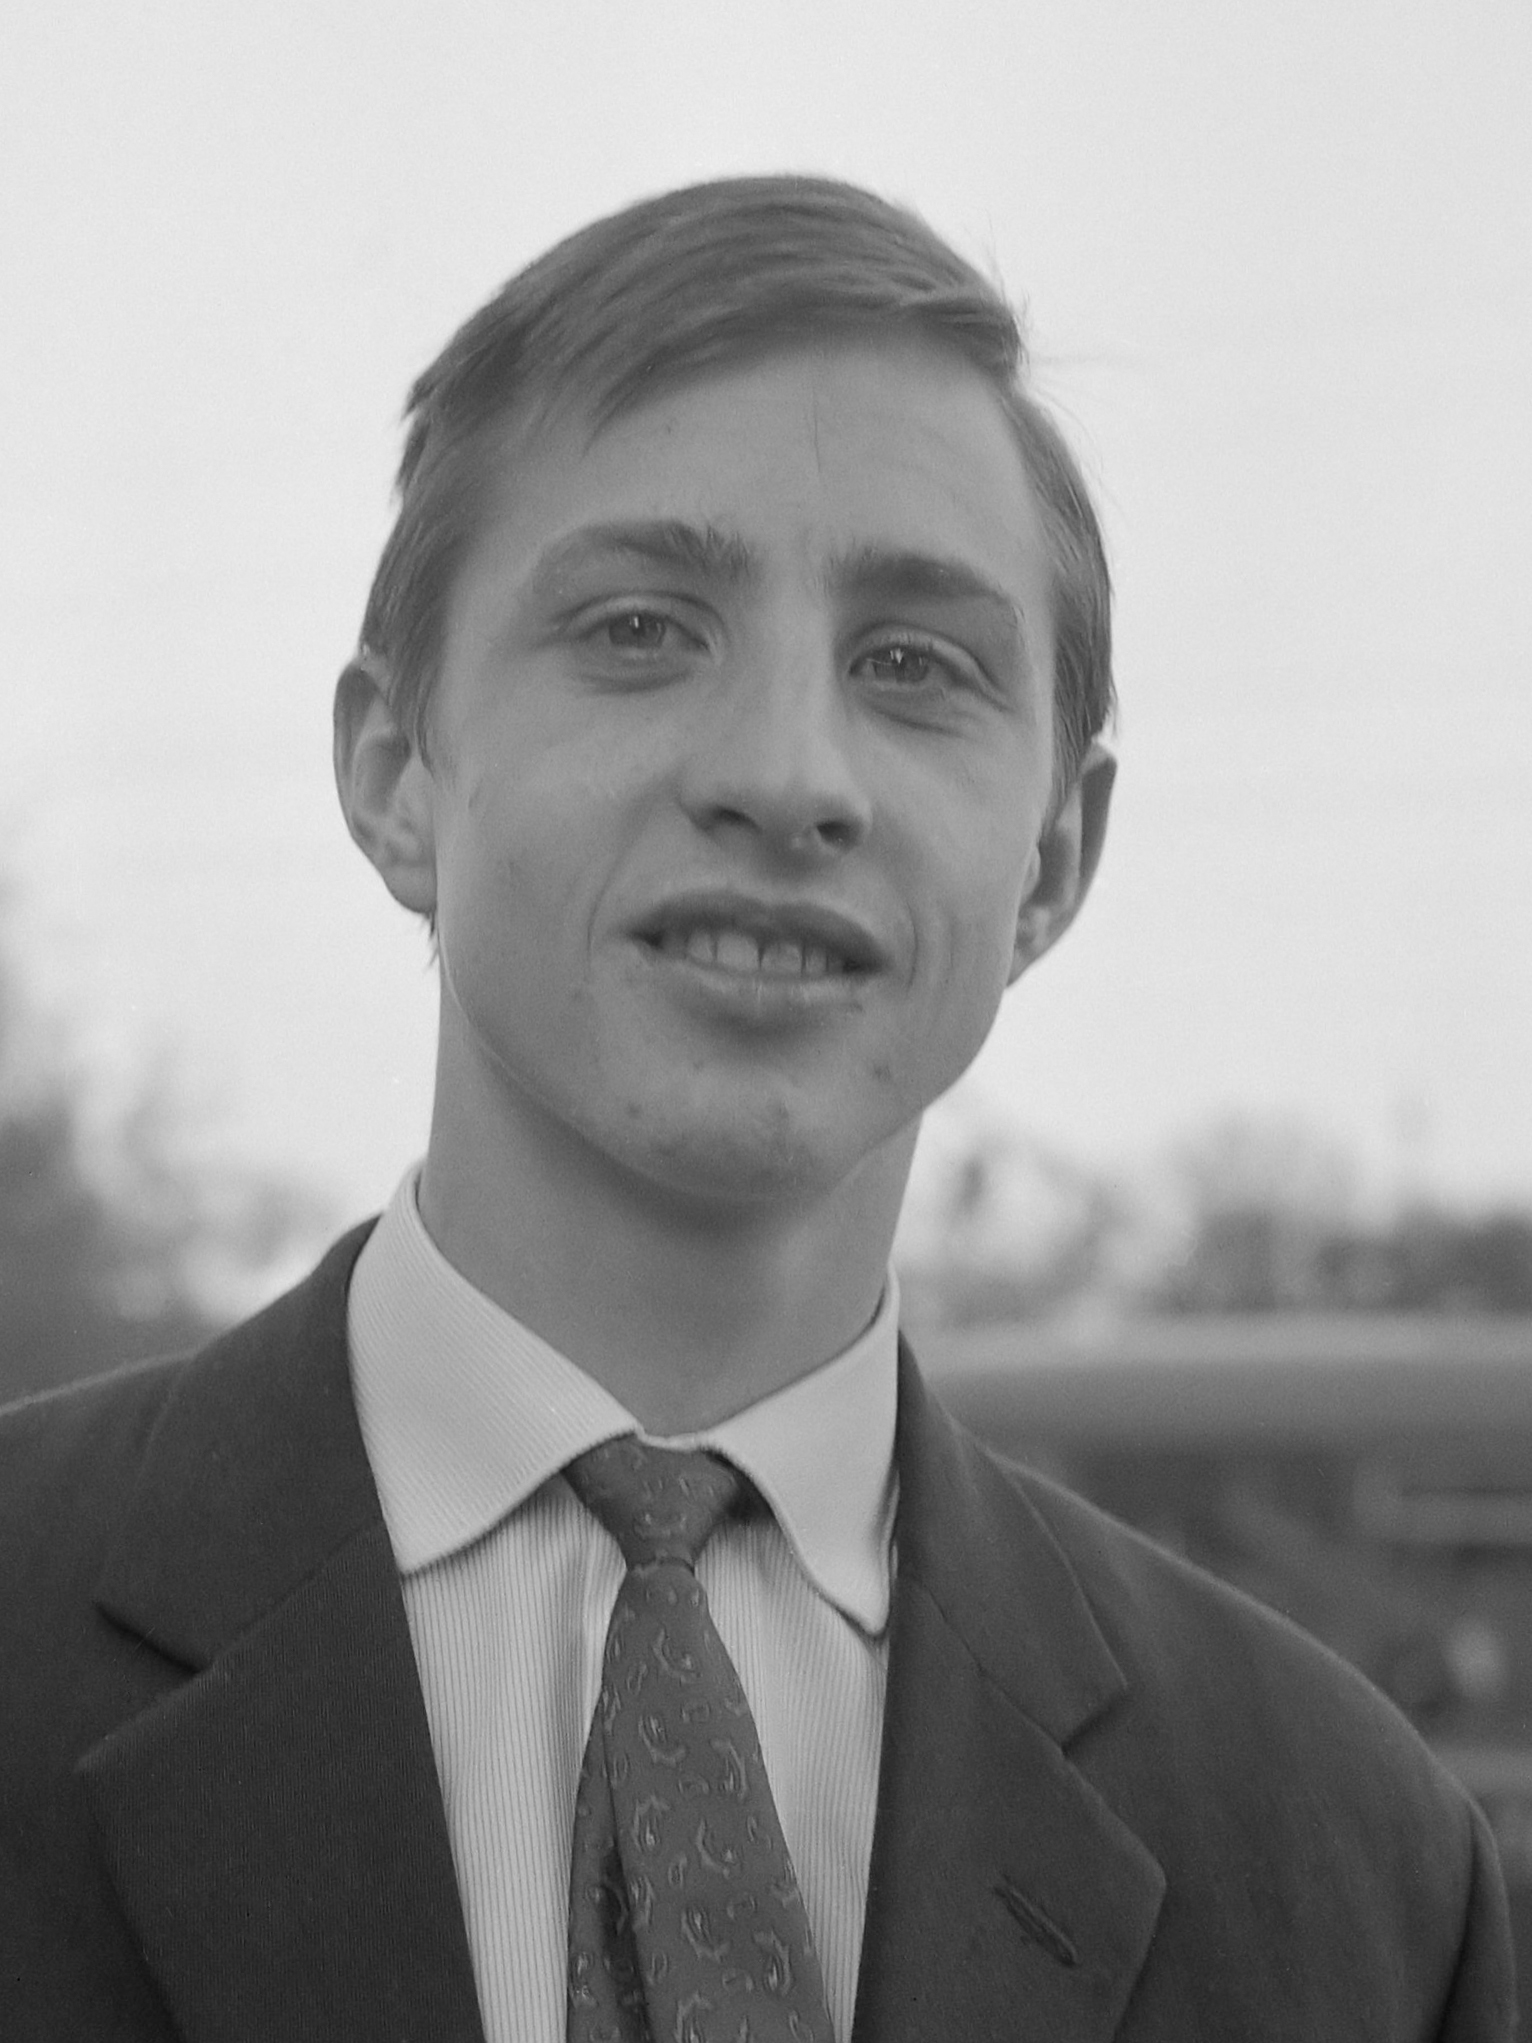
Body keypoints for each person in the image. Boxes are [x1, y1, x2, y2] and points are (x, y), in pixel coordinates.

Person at [0, 175, 1515, 2043]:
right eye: (641, 628)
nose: (790, 776)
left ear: (1054, 860)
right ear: (396, 772)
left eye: (915, 666)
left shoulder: (1358, 1874)